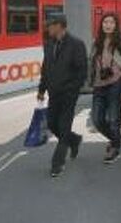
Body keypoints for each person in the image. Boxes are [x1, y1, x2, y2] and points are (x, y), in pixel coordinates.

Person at [37, 14, 88, 178]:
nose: (47, 28)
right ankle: (74, 140)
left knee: (64, 126)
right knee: (52, 124)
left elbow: (82, 71)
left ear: (60, 26)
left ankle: (57, 163)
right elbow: (46, 69)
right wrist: (41, 89)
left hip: (68, 94)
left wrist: (73, 89)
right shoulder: (49, 44)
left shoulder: (77, 44)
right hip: (53, 92)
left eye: (50, 25)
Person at [90, 13, 121, 164]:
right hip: (99, 84)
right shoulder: (96, 42)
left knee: (114, 118)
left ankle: (115, 148)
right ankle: (115, 138)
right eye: (105, 22)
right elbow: (91, 62)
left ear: (116, 24)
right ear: (101, 25)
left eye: (111, 22)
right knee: (97, 119)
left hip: (116, 83)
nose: (107, 25)